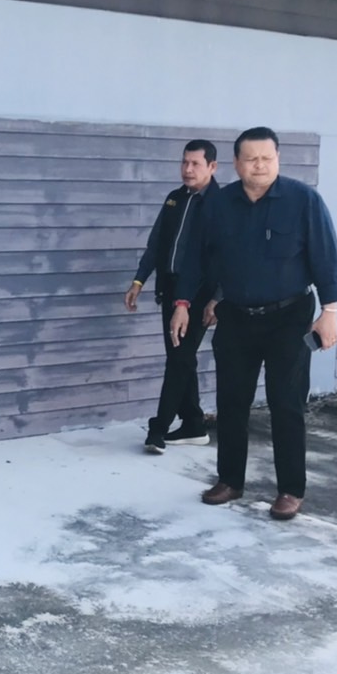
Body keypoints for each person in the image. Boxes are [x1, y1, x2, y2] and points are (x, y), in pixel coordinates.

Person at [171, 126, 337, 521]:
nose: (260, 165)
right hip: (235, 317)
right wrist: (182, 303)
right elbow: (195, 259)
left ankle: (290, 490)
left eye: (267, 158)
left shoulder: (303, 200)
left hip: (290, 318)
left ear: (277, 159)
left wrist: (330, 314)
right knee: (232, 402)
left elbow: (325, 258)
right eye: (251, 159)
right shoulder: (218, 205)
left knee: (287, 404)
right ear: (236, 163)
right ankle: (230, 480)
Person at [125, 139, 220, 455]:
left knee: (179, 358)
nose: (187, 169)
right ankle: (193, 423)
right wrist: (139, 281)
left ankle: (158, 429)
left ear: (212, 167)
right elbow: (156, 244)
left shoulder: (221, 205)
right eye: (184, 162)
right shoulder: (174, 199)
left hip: (200, 294)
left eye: (195, 164)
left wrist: (217, 299)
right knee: (181, 358)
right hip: (170, 289)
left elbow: (228, 257)